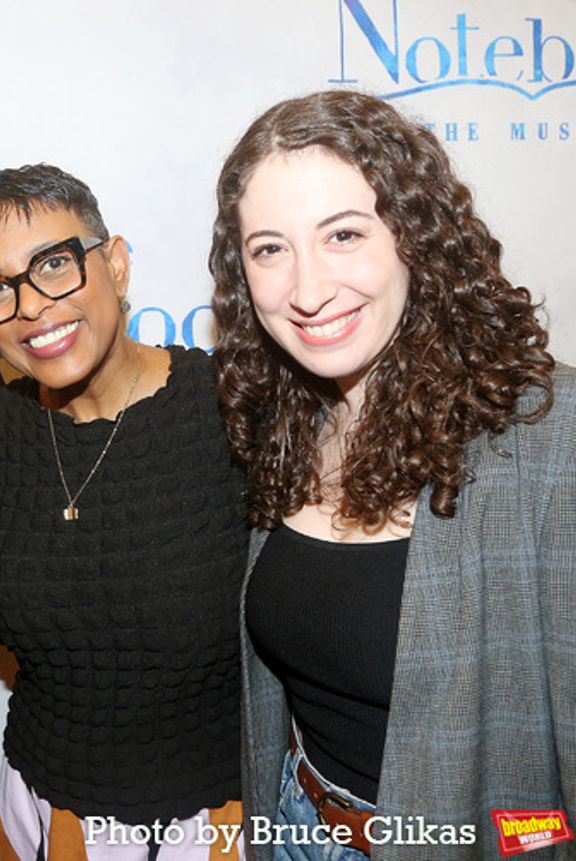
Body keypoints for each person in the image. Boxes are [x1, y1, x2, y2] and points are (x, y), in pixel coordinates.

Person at [210, 89, 576, 860]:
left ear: (416, 236)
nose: (307, 291)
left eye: (343, 234)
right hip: (296, 821)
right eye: (270, 248)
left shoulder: (547, 435)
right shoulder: (285, 419)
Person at [0, 164, 250, 860]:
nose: (32, 306)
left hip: (210, 820)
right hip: (40, 811)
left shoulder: (230, 409)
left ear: (114, 263)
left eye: (54, 264)